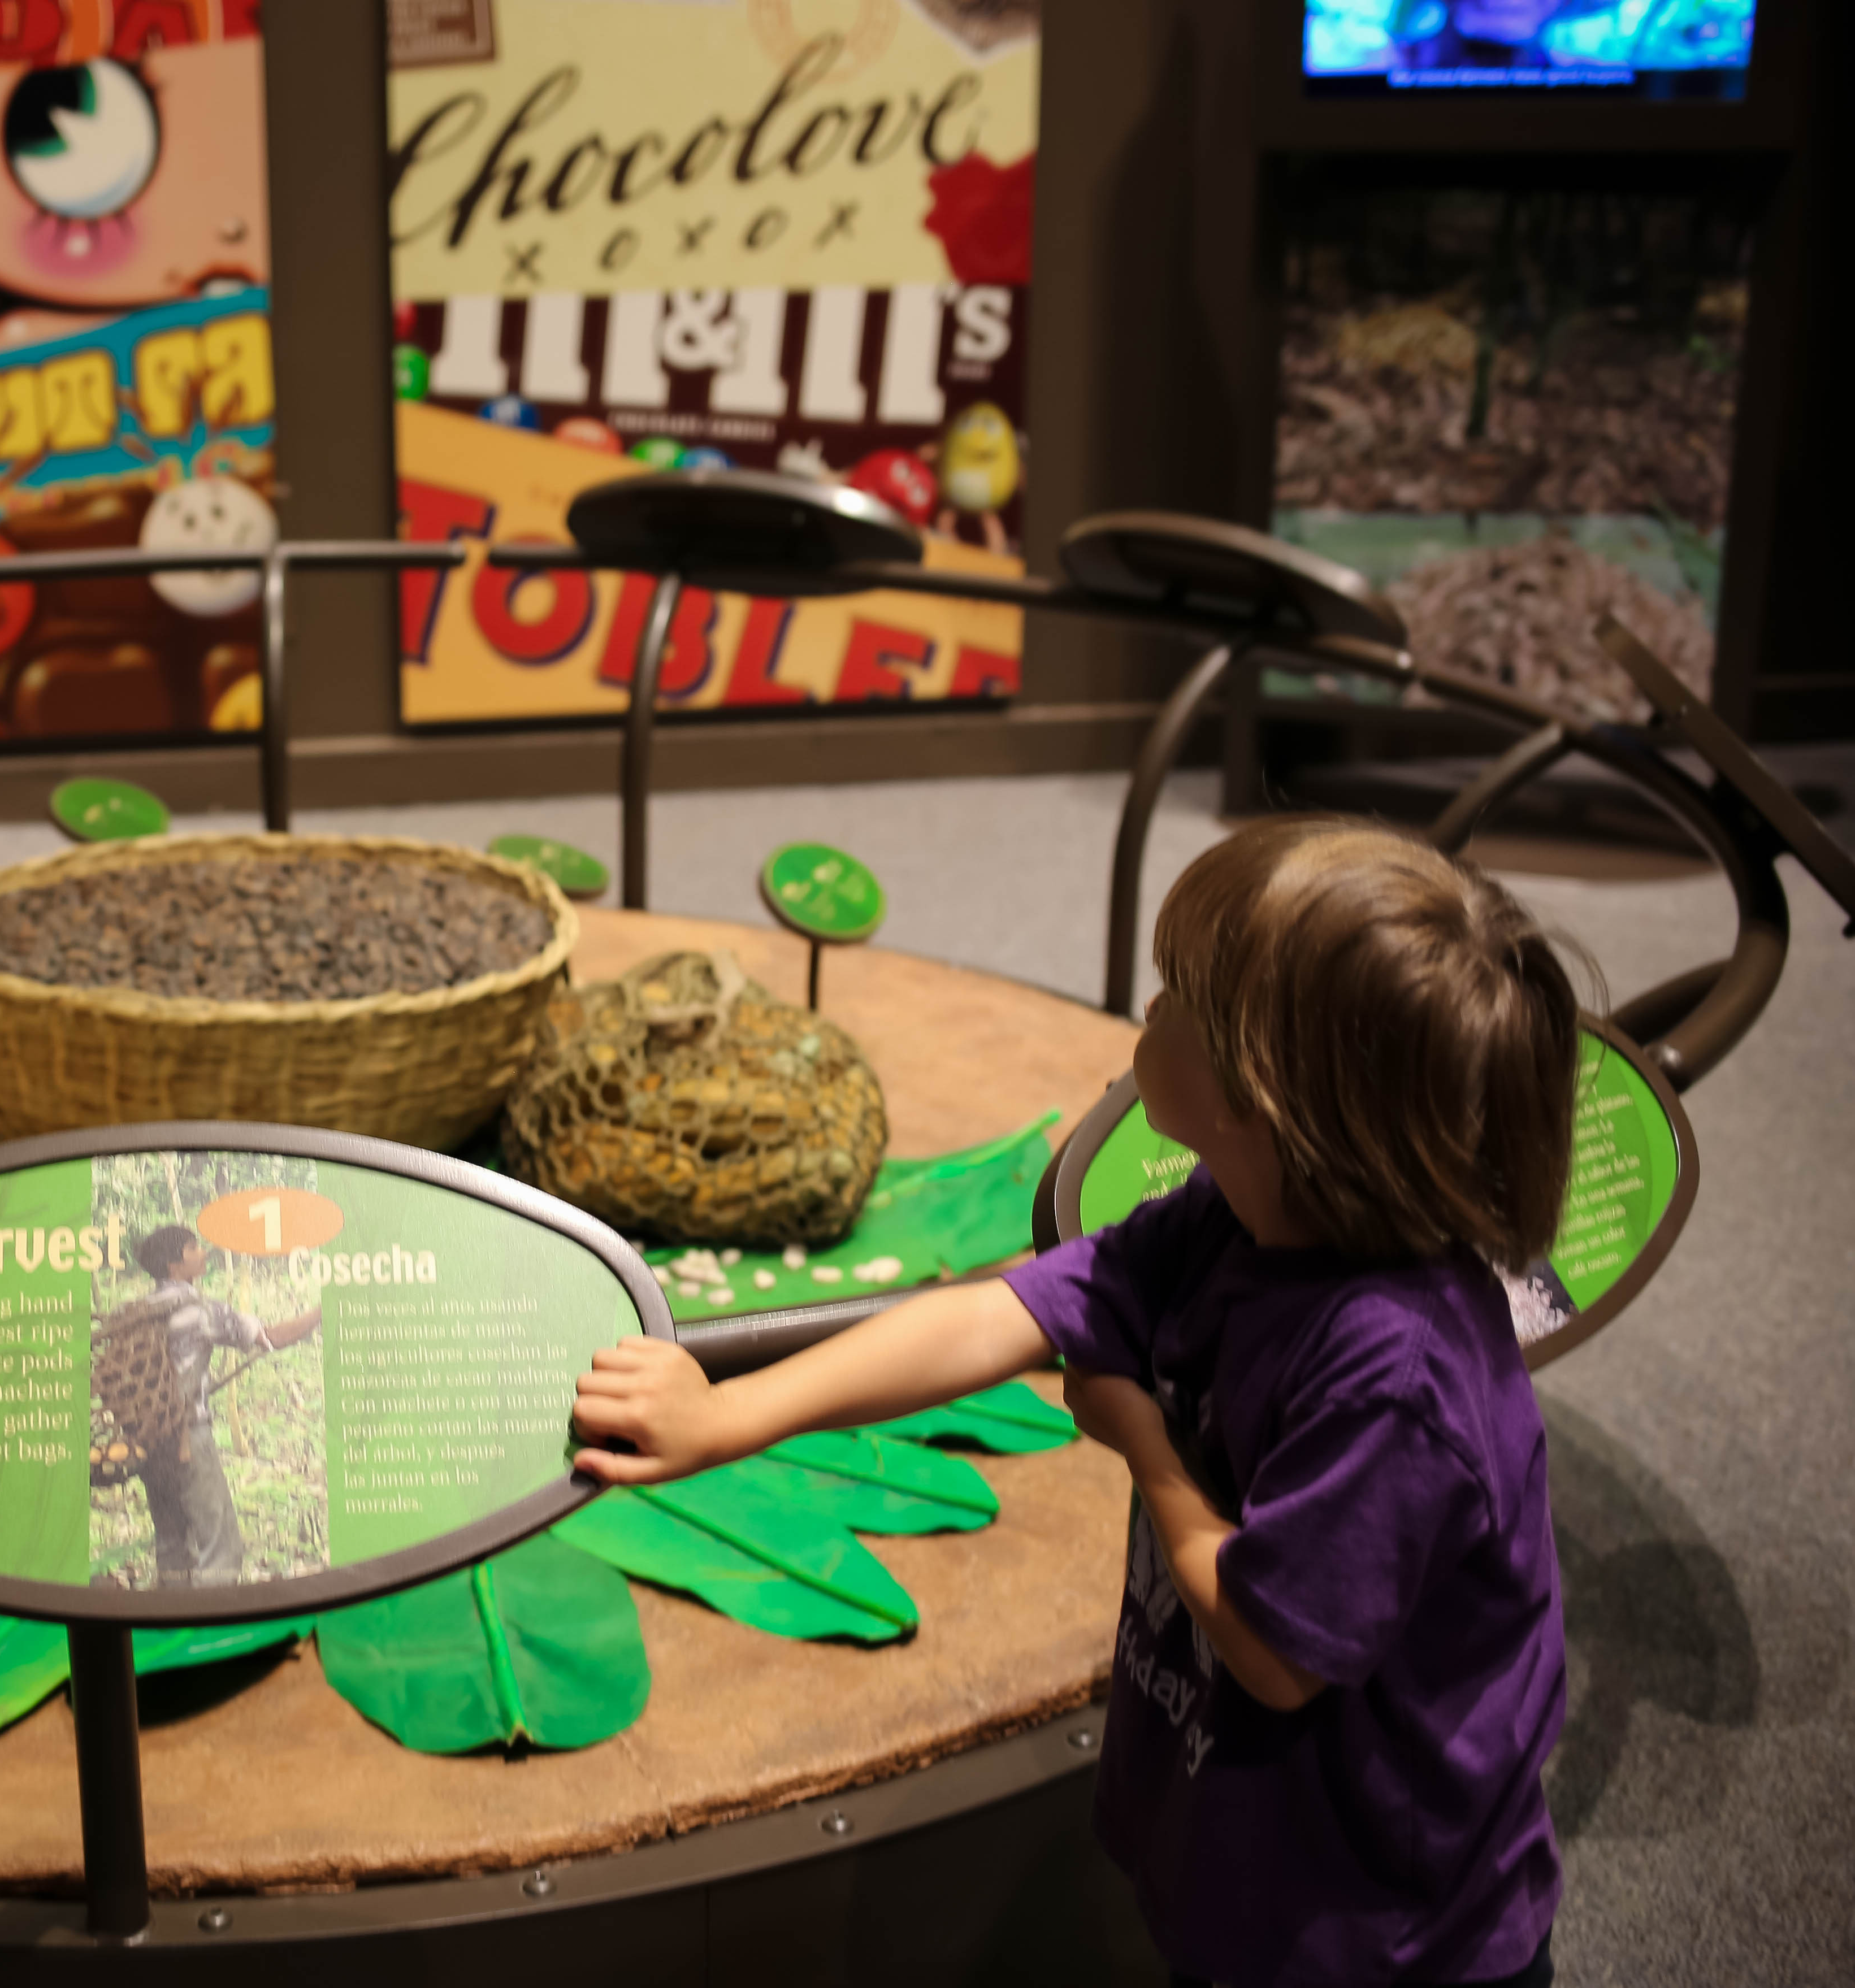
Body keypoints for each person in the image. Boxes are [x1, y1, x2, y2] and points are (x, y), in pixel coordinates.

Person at [574, 818, 1579, 1988]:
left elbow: (1272, 1652)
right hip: (1261, 1867)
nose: (1146, 1018)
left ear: (1267, 1099)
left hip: (1387, 1936)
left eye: (1178, 1001)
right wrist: (728, 1416)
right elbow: (1001, 1313)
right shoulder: (1236, 1213)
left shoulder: (1398, 1377)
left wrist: (1141, 1442)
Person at [124, 1226, 319, 1587]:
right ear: (176, 1262)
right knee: (221, 1547)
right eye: (193, 1247)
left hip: (148, 1440)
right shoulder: (199, 1311)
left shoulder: (138, 1311)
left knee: (171, 1545)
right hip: (188, 1438)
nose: (202, 1253)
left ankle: (174, 1624)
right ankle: (209, 1629)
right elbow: (271, 1336)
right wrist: (320, 1313)